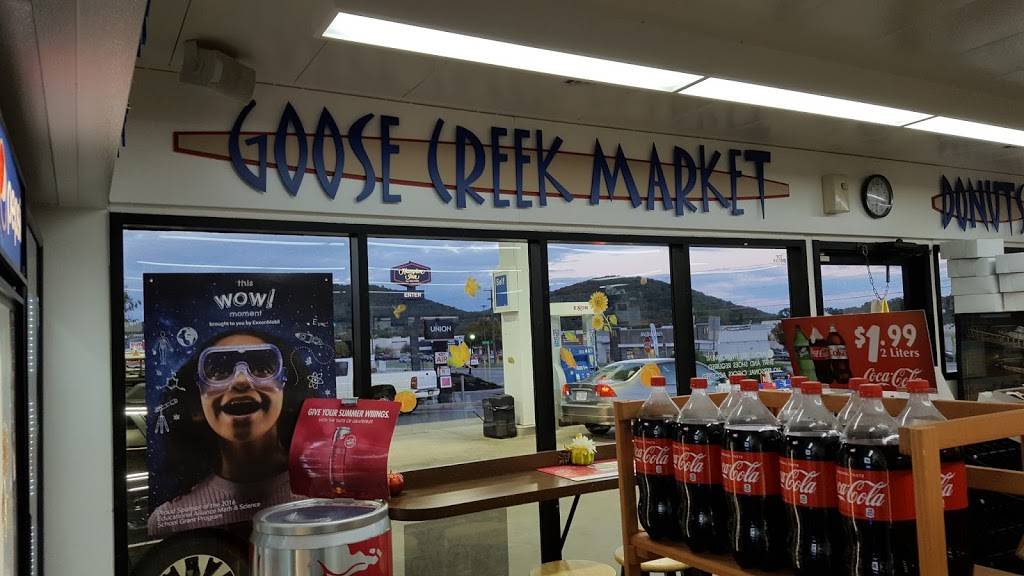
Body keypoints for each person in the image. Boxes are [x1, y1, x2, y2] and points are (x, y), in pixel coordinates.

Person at [147, 330, 310, 536]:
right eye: (218, 371)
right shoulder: (170, 520)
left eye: (262, 368)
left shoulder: (326, 496)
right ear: (196, 407)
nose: (241, 381)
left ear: (289, 396)